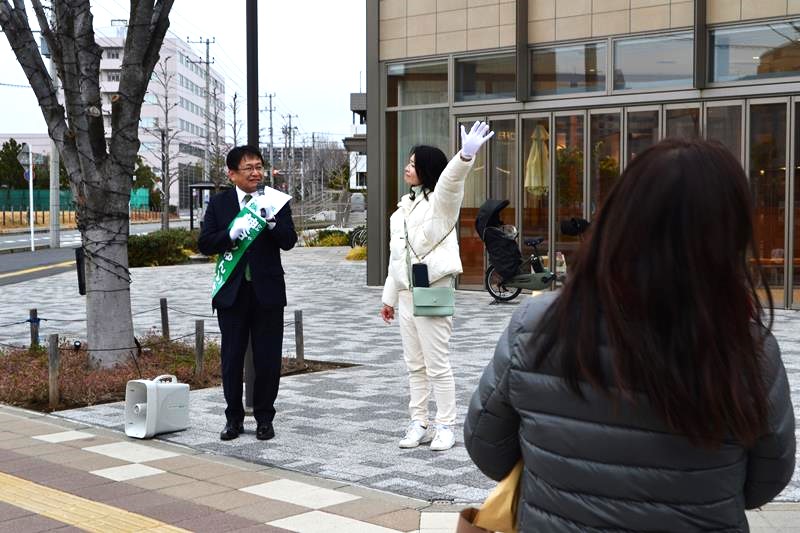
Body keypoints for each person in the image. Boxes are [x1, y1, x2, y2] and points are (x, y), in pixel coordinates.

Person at [464, 138, 795, 531]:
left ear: (618, 218)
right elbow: (766, 478)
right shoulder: (749, 348)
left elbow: (485, 445)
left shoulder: (537, 325)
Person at [381, 122, 494, 451]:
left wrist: (465, 155)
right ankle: (419, 421)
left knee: (437, 363)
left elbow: (450, 184)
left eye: (414, 163)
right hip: (405, 294)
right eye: (408, 161)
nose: (407, 167)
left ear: (427, 170)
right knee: (414, 365)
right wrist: (389, 298)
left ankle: (446, 425)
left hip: (432, 290)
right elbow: (396, 258)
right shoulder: (400, 210)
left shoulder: (440, 206)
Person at [198, 145, 297, 441]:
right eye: (248, 168)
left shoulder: (275, 201)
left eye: (259, 167)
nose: (256, 173)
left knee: (268, 358)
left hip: (267, 292)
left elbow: (289, 241)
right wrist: (229, 235)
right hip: (233, 294)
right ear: (231, 174)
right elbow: (205, 244)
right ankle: (233, 418)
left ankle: (265, 418)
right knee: (231, 359)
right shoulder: (220, 204)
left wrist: (272, 223)